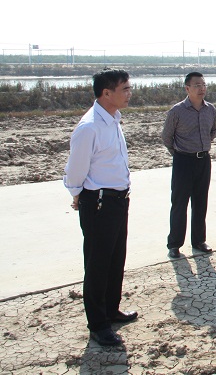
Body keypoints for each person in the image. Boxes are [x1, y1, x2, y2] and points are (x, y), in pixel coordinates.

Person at [63, 68, 138, 346]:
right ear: (106, 93)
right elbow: (75, 170)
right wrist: (77, 195)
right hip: (99, 203)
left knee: (116, 259)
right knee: (98, 264)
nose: (129, 93)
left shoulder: (113, 120)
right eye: (125, 89)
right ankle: (98, 324)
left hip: (118, 200)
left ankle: (111, 310)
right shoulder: (90, 127)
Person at [162, 72, 216, 259]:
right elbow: (167, 137)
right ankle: (174, 244)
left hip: (203, 160)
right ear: (187, 88)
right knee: (179, 203)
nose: (202, 88)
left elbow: (212, 132)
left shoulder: (210, 109)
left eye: (203, 84)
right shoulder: (177, 111)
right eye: (197, 85)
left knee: (201, 202)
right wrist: (179, 153)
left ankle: (199, 240)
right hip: (183, 161)